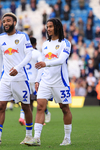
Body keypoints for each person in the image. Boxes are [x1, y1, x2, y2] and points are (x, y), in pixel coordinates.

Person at [0, 12, 33, 145]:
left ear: (14, 22)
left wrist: (18, 67)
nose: (6, 23)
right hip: (5, 78)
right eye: (4, 21)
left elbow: (29, 55)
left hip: (20, 77)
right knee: (1, 106)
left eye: (8, 21)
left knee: (26, 107)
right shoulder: (0, 38)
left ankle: (29, 136)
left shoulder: (23, 36)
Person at [25, 18, 72, 146]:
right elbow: (41, 65)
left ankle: (67, 138)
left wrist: (46, 63)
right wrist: (37, 80)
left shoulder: (65, 43)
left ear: (57, 27)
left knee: (65, 108)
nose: (48, 29)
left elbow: (61, 60)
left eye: (50, 26)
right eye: (47, 27)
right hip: (45, 80)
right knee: (40, 107)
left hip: (60, 82)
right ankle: (36, 138)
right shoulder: (45, 44)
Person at [19, 37, 51, 126]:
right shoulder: (37, 53)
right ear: (35, 44)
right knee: (38, 99)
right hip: (35, 79)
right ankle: (26, 118)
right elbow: (42, 65)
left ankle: (45, 114)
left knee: (28, 99)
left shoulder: (24, 53)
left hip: (27, 79)